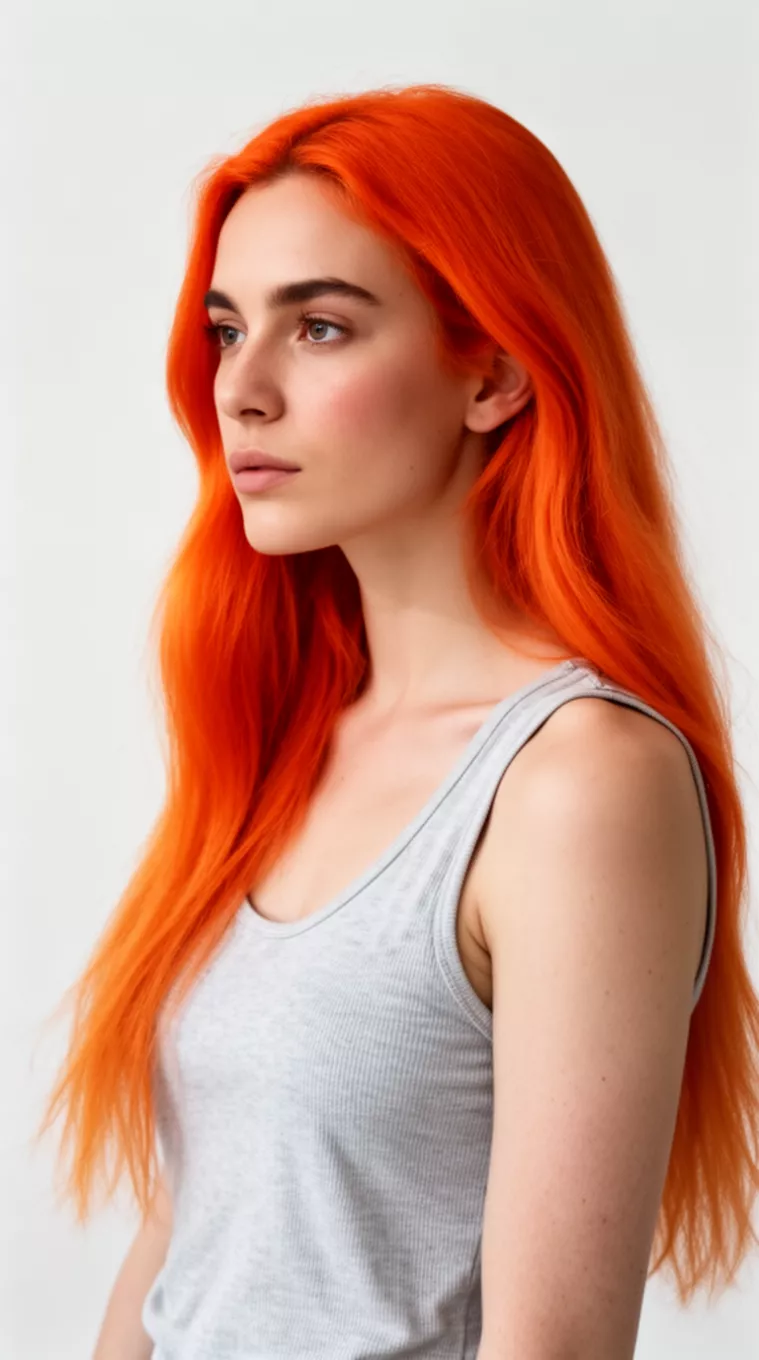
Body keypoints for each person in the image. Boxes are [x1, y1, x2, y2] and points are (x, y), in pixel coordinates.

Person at [37, 83, 759, 1360]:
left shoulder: (578, 783)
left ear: (498, 372)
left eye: (318, 327)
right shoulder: (285, 739)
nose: (239, 390)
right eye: (225, 328)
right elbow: (186, 1254)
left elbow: (554, 1346)